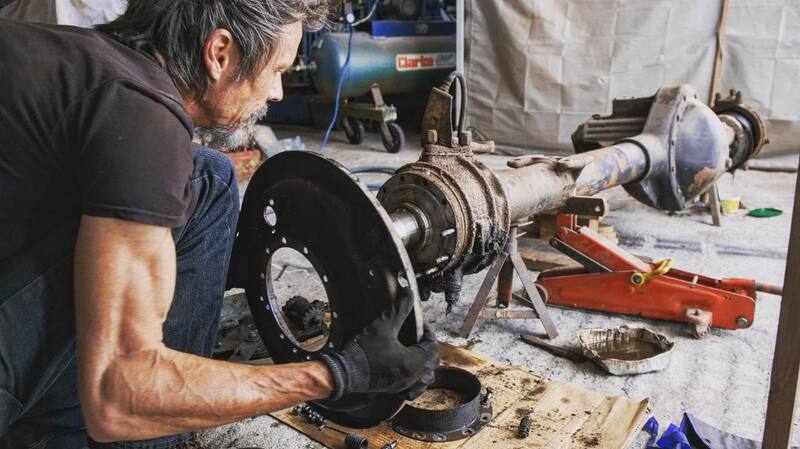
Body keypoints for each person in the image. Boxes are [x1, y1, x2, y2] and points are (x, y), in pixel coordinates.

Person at [0, 1, 439, 448]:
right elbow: (119, 396)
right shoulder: (138, 112)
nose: (278, 93)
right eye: (277, 70)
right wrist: (338, 373)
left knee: (207, 176)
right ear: (220, 52)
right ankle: (145, 424)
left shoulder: (74, 62)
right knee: (129, 392)